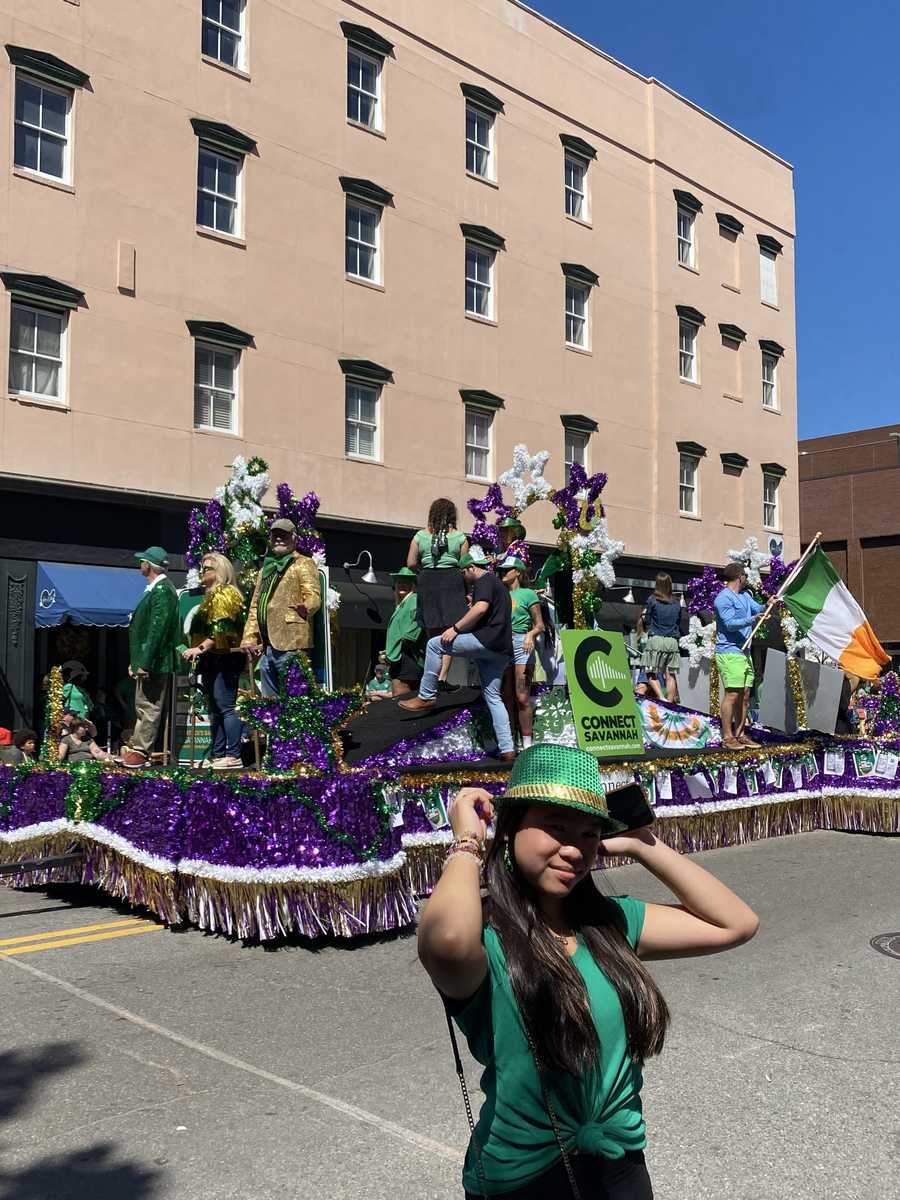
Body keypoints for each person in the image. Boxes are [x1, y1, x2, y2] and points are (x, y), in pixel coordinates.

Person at [418, 743, 759, 1200]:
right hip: (523, 1177)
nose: (574, 850)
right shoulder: (486, 938)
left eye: (589, 834)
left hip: (620, 1163)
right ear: (512, 828)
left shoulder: (610, 923)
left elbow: (736, 923)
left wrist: (642, 845)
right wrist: (467, 842)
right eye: (556, 828)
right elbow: (446, 940)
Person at [401, 548, 515, 761]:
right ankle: (508, 749)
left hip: (486, 641)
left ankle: (426, 696)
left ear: (472, 567)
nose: (464, 577)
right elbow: (486, 611)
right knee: (493, 697)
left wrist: (456, 628)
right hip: (501, 650)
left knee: (435, 644)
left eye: (463, 572)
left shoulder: (484, 580)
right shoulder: (497, 585)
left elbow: (481, 608)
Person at [181, 552, 247, 771]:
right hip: (212, 658)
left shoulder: (226, 594)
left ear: (220, 571)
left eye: (207, 568)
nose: (203, 572)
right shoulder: (211, 596)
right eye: (201, 568)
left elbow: (222, 629)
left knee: (225, 706)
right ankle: (218, 753)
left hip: (226, 657)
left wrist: (199, 649)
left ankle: (233, 755)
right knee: (215, 708)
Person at [241, 519, 321, 698]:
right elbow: (255, 606)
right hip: (267, 646)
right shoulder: (265, 569)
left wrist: (306, 608)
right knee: (270, 705)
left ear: (294, 538)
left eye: (283, 535)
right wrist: (248, 637)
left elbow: (314, 596)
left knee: (295, 702)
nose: (278, 539)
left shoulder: (303, 563)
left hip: (292, 644)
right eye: (275, 535)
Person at [122, 546, 181, 769]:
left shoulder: (163, 591)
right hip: (148, 660)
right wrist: (137, 661)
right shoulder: (155, 589)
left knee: (149, 706)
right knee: (143, 704)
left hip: (156, 661)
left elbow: (158, 629)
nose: (140, 565)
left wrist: (145, 662)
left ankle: (141, 750)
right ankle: (138, 746)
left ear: (149, 565)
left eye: (142, 561)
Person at [407, 499, 469, 688]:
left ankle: (430, 678)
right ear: (452, 515)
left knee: (431, 631)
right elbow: (464, 564)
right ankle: (443, 678)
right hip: (452, 581)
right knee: (450, 631)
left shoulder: (420, 536)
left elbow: (410, 563)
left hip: (428, 581)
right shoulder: (460, 537)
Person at [714, 562, 766, 750]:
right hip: (729, 651)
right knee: (732, 694)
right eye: (745, 574)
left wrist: (768, 604)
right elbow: (729, 624)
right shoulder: (723, 598)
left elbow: (758, 609)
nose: (746, 578)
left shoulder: (745, 596)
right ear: (739, 576)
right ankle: (727, 737)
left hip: (744, 653)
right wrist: (752, 620)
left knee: (744, 695)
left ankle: (741, 734)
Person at [499, 556, 544, 750]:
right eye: (501, 570)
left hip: (521, 644)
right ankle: (509, 741)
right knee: (505, 696)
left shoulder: (528, 594)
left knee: (522, 696)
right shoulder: (499, 594)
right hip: (502, 645)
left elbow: (540, 625)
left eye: (507, 569)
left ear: (517, 571)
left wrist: (530, 635)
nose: (503, 573)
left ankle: (527, 742)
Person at [638, 573, 682, 702]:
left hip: (656, 639)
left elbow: (647, 620)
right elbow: (679, 621)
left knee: (650, 671)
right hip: (672, 641)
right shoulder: (677, 602)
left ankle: (661, 698)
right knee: (670, 674)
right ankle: (670, 701)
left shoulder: (652, 599)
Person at [384, 567, 426, 698]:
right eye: (399, 582)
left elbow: (419, 619)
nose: (402, 584)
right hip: (400, 655)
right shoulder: (402, 604)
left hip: (408, 656)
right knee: (400, 696)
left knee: (401, 697)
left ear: (412, 585)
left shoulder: (414, 599)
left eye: (406, 582)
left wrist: (406, 638)